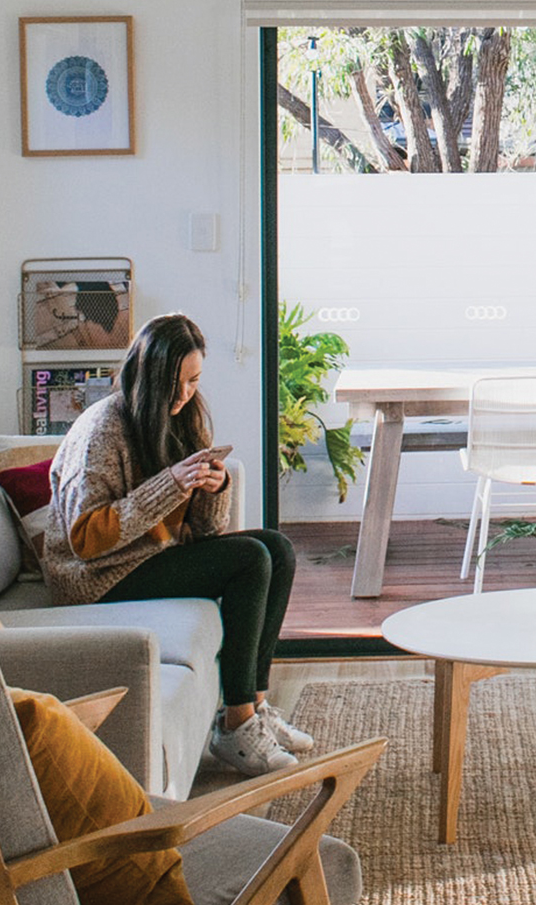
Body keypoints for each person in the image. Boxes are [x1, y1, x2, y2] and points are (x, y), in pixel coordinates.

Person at [44, 312, 312, 775]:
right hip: (95, 577)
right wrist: (168, 485)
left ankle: (257, 707)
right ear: (149, 376)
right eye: (177, 382)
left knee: (277, 550)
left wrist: (214, 485)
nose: (186, 393)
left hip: (147, 557)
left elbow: (206, 533)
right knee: (249, 559)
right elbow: (86, 538)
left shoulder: (184, 416)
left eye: (194, 380)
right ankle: (236, 725)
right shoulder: (102, 429)